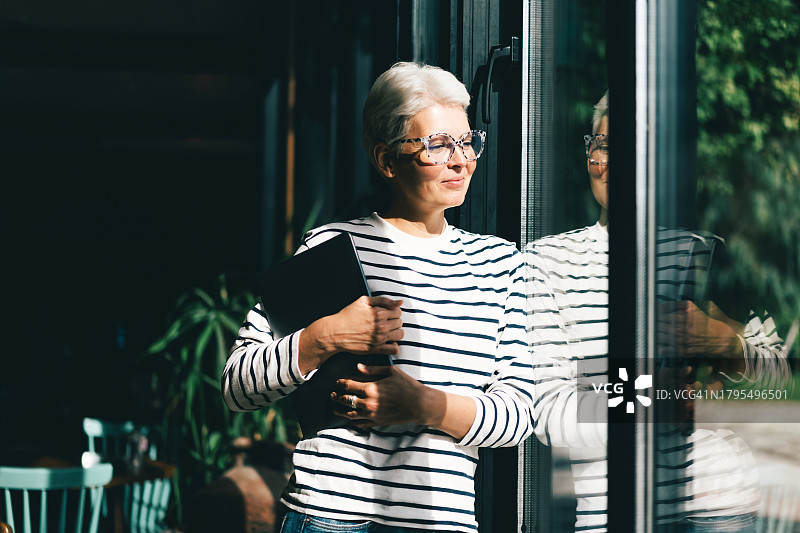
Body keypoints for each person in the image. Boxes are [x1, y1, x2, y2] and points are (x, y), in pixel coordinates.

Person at [222, 62, 534, 533]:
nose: (460, 160)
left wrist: (421, 405)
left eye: (467, 142)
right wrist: (324, 337)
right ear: (386, 159)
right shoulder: (330, 246)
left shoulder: (500, 264)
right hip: (325, 518)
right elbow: (237, 386)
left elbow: (521, 414)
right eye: (437, 145)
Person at [525, 91, 789, 532]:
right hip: (615, 513)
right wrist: (648, 395)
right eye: (603, 145)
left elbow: (778, 380)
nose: (613, 161)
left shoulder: (698, 250)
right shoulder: (547, 262)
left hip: (722, 500)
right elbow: (548, 412)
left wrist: (723, 342)